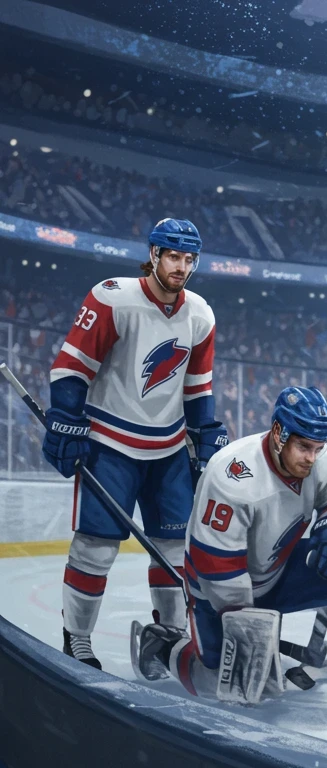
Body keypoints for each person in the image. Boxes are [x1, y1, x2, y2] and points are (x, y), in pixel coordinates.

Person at [130, 386, 327, 713]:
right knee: (228, 688)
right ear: (279, 433)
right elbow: (215, 566)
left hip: (276, 576)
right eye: (304, 447)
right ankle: (164, 646)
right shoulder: (233, 473)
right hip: (217, 592)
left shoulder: (319, 458)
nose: (312, 457)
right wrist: (252, 636)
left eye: (319, 447)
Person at [44, 218, 227, 669]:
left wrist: (205, 437)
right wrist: (66, 419)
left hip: (168, 449)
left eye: (189, 259)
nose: (181, 266)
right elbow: (72, 366)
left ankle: (169, 636)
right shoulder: (112, 297)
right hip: (109, 444)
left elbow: (198, 389)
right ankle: (78, 638)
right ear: (153, 254)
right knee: (96, 545)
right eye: (173, 256)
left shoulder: (201, 314)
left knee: (173, 549)